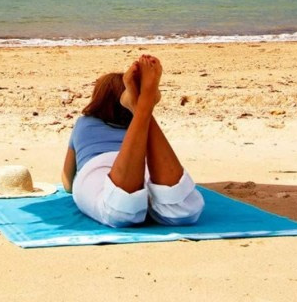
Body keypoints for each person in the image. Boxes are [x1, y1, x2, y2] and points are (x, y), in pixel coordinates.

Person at [62, 54, 204, 227]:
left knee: (119, 212)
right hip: (143, 165)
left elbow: (68, 182)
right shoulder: (144, 130)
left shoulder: (84, 123)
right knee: (183, 211)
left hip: (100, 168)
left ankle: (141, 106)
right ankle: (142, 107)